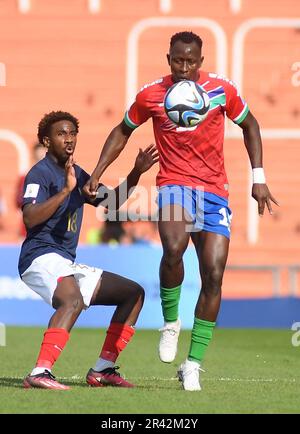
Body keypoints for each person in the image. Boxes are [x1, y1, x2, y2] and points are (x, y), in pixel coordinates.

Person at [83, 31, 279, 391]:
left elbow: (250, 124)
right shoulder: (151, 94)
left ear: (201, 62)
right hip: (173, 183)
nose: (184, 67)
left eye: (191, 61)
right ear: (168, 57)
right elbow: (122, 130)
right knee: (173, 248)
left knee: (214, 274)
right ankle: (170, 323)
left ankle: (193, 364)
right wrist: (97, 173)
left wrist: (259, 177)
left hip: (214, 190)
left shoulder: (221, 89)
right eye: (178, 60)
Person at [18, 110, 158, 390]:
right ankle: (40, 372)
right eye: (61, 134)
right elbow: (30, 218)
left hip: (64, 261)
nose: (69, 139)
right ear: (47, 140)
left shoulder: (78, 174)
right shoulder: (39, 174)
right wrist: (65, 192)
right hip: (39, 256)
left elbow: (114, 200)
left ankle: (103, 369)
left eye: (72, 133)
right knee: (72, 301)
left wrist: (136, 172)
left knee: (133, 294)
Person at [15, 143, 47, 238]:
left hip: (49, 233)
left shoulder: (57, 178)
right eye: (38, 158)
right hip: (27, 232)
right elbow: (18, 201)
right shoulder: (26, 178)